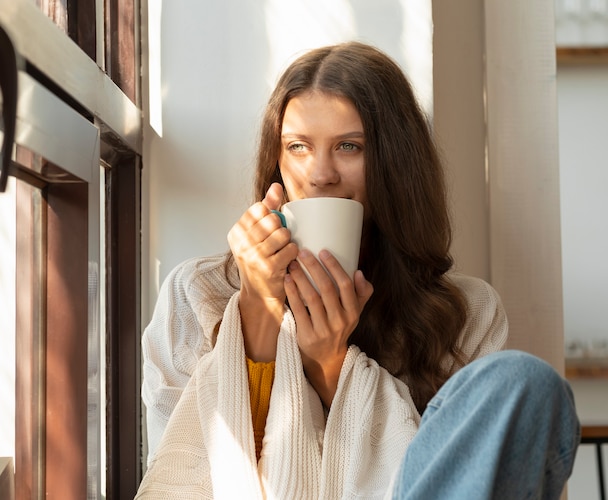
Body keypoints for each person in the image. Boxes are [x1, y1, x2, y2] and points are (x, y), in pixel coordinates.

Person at [135, 42, 580, 499]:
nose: (320, 174)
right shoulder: (198, 293)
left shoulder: (465, 313)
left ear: (395, 162)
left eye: (349, 146)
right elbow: (186, 471)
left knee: (525, 382)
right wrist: (258, 311)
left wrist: (331, 366)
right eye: (298, 146)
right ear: (277, 161)